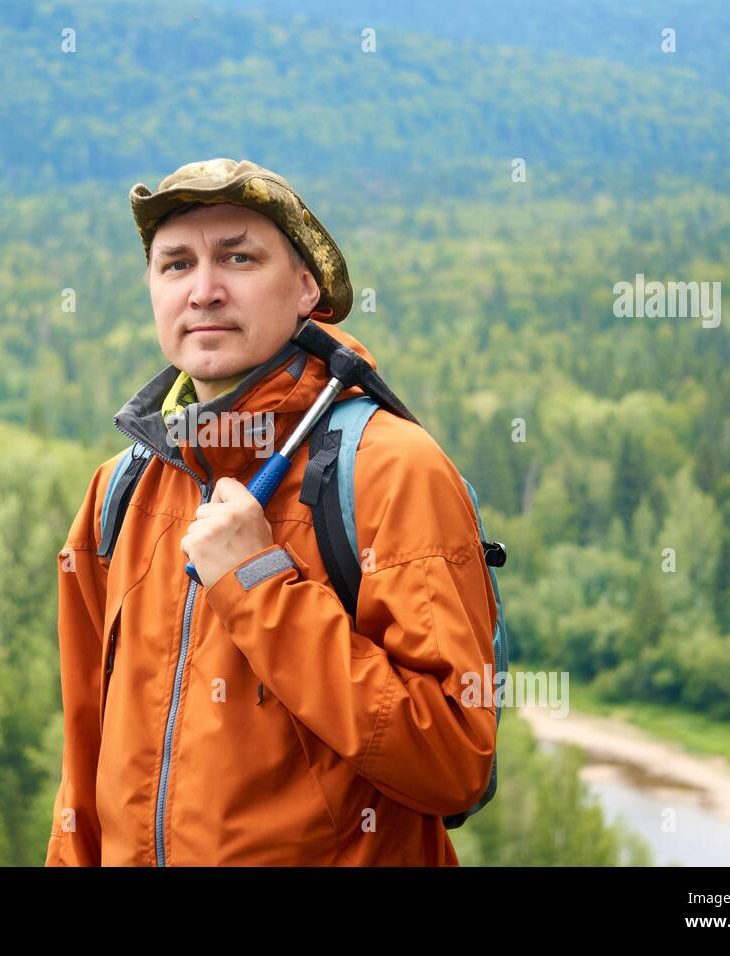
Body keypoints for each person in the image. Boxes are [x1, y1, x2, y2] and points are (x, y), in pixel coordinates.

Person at [44, 158, 498, 866]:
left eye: (239, 257)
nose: (203, 291)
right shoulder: (119, 492)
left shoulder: (391, 471)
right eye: (175, 265)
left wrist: (259, 583)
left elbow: (453, 762)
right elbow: (83, 773)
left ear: (307, 289)